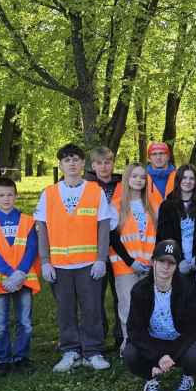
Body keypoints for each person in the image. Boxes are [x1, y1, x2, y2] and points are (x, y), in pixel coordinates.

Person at [35, 143, 113, 372]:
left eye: (76, 159)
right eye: (67, 160)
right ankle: (70, 351)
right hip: (59, 265)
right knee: (65, 310)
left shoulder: (95, 191)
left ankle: (93, 351)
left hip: (89, 264)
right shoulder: (49, 194)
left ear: (83, 164)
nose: (72, 164)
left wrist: (101, 259)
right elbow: (42, 228)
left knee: (92, 309)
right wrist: (45, 261)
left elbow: (104, 226)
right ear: (60, 165)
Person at [123, 239, 196, 391]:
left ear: (176, 266)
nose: (166, 266)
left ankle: (188, 377)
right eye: (162, 261)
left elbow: (194, 329)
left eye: (171, 263)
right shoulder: (140, 290)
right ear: (153, 262)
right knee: (130, 354)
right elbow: (135, 330)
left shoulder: (188, 290)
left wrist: (171, 355)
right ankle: (150, 379)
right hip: (152, 341)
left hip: (178, 341)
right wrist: (157, 356)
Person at [0, 177, 40, 374]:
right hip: (0, 280)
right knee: (0, 325)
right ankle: (3, 360)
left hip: (23, 278)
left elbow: (32, 248)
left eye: (10, 195)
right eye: (1, 195)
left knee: (25, 323)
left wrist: (20, 273)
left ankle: (21, 358)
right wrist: (12, 274)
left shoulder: (27, 221)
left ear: (16, 196)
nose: (6, 199)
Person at [156, 165, 196, 346]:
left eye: (191, 178)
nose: (187, 182)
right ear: (178, 181)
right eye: (184, 178)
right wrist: (177, 261)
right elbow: (164, 237)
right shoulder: (167, 205)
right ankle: (180, 340)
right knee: (179, 301)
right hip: (177, 263)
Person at [110, 163, 159, 352]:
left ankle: (147, 343)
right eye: (134, 176)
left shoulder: (153, 204)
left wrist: (154, 259)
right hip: (125, 265)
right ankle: (129, 344)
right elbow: (113, 238)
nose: (139, 180)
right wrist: (131, 262)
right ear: (127, 179)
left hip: (149, 264)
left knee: (148, 304)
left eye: (142, 177)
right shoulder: (116, 205)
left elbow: (158, 234)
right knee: (128, 306)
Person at [85, 146, 124, 347]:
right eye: (99, 163)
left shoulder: (123, 185)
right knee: (95, 297)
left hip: (120, 248)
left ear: (113, 164)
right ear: (92, 166)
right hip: (94, 249)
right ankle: (98, 337)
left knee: (121, 294)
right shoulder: (86, 186)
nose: (103, 166)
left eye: (107, 162)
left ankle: (121, 336)